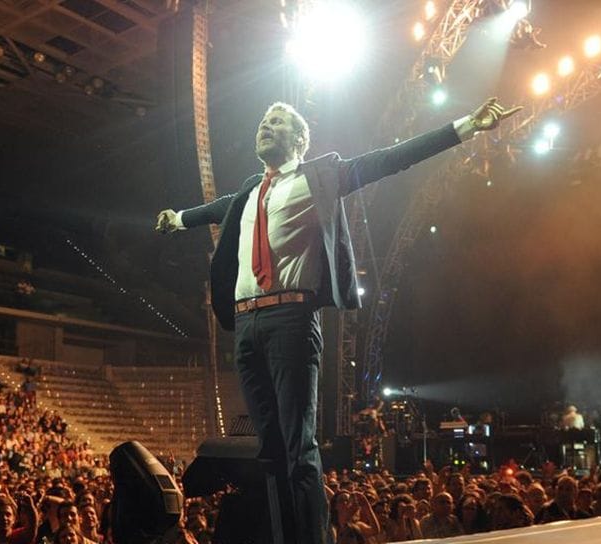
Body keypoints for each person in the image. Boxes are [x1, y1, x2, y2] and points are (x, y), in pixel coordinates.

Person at [155, 97, 519, 543]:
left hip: (290, 318)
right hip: (247, 327)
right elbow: (219, 209)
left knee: (297, 445)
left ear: (300, 140)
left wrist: (464, 127)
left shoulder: (322, 176)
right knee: (267, 451)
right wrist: (179, 219)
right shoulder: (251, 190)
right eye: (262, 121)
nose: (265, 127)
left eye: (277, 122)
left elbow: (391, 160)